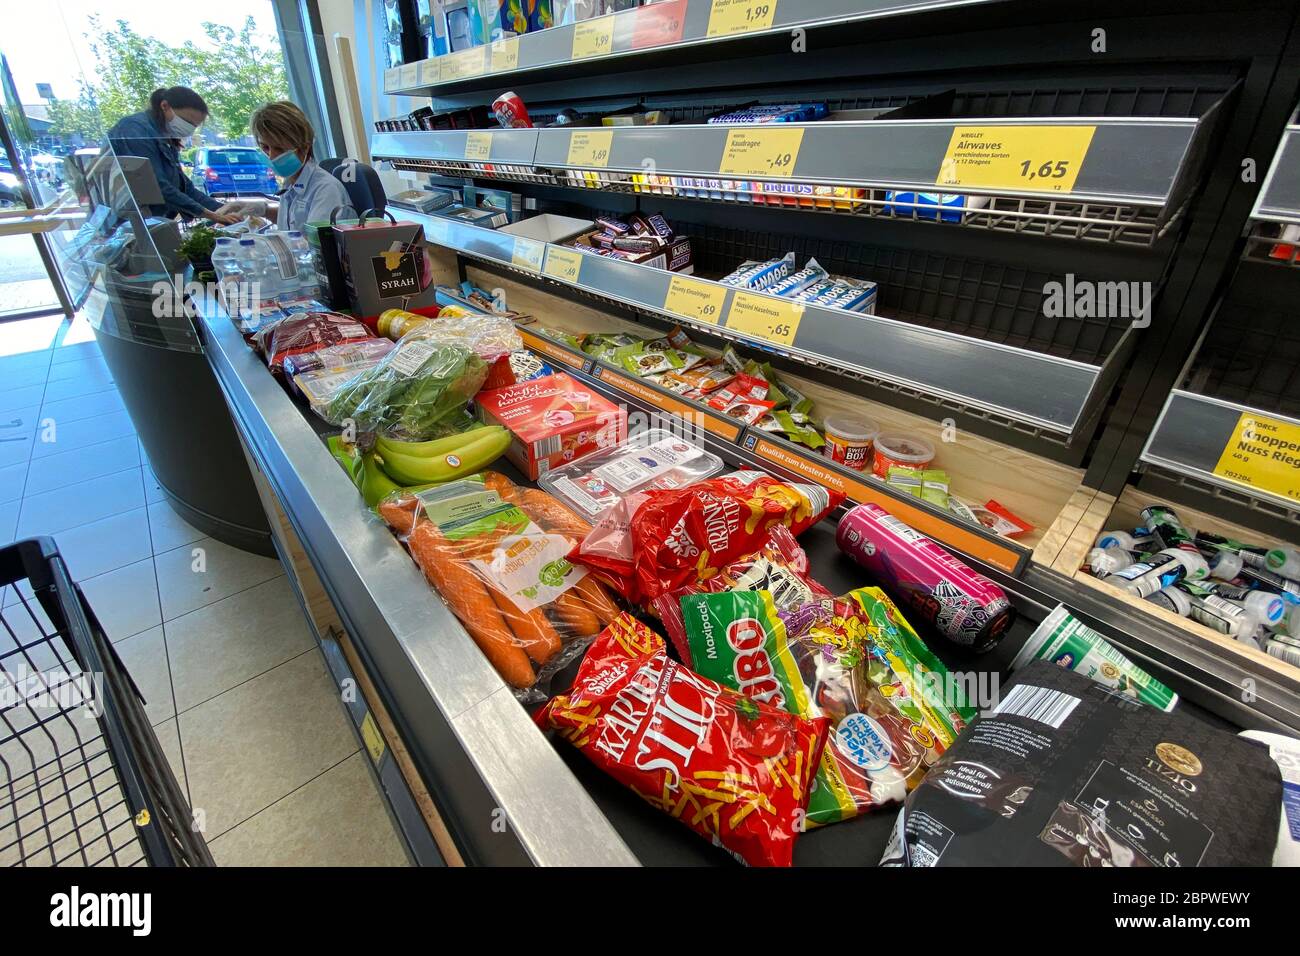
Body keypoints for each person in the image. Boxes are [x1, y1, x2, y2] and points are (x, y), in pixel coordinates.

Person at [105, 87, 237, 224]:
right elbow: (156, 185)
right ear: (164, 106)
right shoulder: (134, 129)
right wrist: (211, 215)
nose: (189, 129)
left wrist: (227, 210)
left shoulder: (166, 138)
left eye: (194, 126)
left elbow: (184, 188)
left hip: (152, 222)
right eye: (187, 122)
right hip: (125, 223)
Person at [250, 101, 351, 233]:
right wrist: (263, 210)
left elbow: (313, 242)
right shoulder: (291, 183)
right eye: (265, 147)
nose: (271, 156)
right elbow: (292, 223)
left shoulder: (326, 189)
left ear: (304, 147)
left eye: (279, 149)